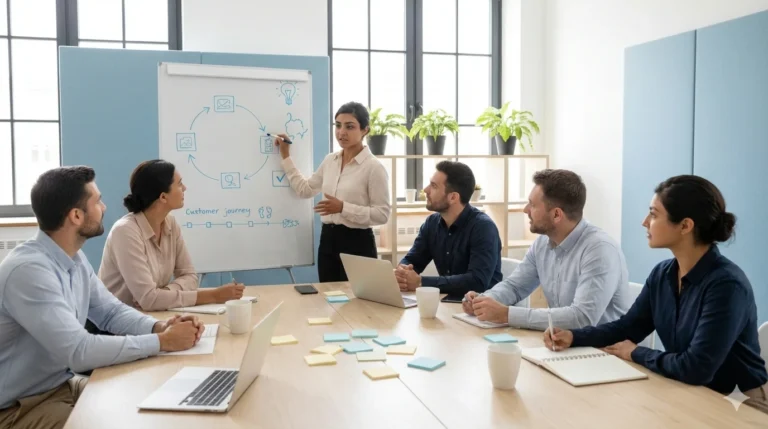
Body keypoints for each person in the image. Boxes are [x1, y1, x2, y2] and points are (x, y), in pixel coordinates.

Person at [544, 175, 768, 414]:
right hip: (691, 390)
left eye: (653, 214)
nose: (644, 222)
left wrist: (636, 352)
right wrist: (573, 337)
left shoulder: (726, 286)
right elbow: (627, 328)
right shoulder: (663, 274)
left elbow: (696, 367)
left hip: (742, 402)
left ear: (685, 226)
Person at [0, 166, 203, 429]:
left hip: (60, 386)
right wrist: (161, 341)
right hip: (18, 408)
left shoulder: (73, 257)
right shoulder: (28, 272)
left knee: (145, 402)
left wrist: (159, 326)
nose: (104, 207)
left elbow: (110, 312)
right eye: (97, 201)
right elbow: (79, 351)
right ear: (76, 215)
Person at [464, 169, 630, 330]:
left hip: (604, 351)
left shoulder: (600, 250)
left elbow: (582, 318)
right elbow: (515, 286)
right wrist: (483, 302)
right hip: (563, 345)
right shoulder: (542, 243)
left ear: (557, 215)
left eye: (533, 205)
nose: (525, 210)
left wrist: (507, 314)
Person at [99, 160, 245, 312]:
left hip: (148, 317)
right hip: (113, 327)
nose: (185, 188)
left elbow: (189, 276)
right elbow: (149, 300)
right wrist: (213, 296)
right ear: (163, 197)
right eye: (179, 184)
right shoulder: (125, 232)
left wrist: (165, 294)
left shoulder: (170, 223)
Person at [273, 101, 391, 282]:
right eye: (338, 125)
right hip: (328, 240)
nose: (341, 132)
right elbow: (305, 190)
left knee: (361, 304)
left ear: (365, 130)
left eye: (349, 127)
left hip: (358, 243)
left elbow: (382, 214)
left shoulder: (374, 168)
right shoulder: (330, 160)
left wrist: (343, 208)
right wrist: (286, 156)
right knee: (329, 299)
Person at [395, 161, 502, 297]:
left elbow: (477, 281)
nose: (426, 190)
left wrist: (421, 282)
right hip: (445, 302)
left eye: (433, 186)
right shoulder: (432, 223)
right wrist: (402, 272)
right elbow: (413, 260)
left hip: (481, 309)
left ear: (453, 197)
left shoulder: (483, 228)